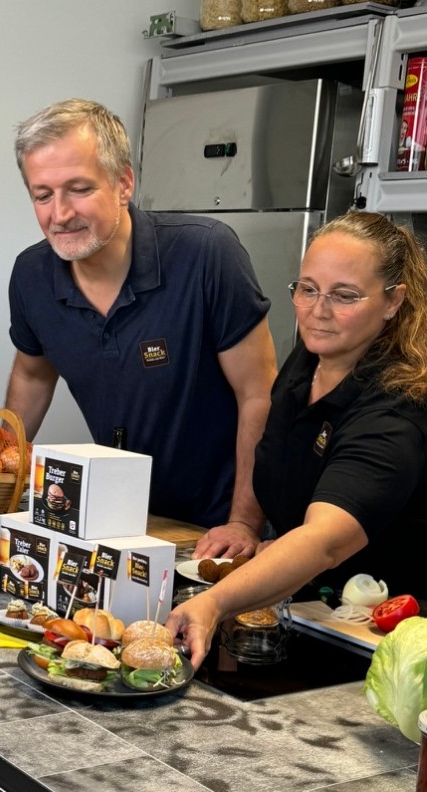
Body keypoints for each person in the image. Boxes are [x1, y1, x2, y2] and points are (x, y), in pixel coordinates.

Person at [5, 98, 277, 557]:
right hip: (115, 519)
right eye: (43, 195)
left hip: (216, 527)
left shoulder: (207, 254)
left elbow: (259, 393)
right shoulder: (31, 275)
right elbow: (32, 377)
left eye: (79, 189)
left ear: (124, 183)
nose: (60, 214)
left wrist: (243, 522)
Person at [167, 211, 427, 669]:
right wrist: (245, 525)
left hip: (382, 642)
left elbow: (324, 541)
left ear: (393, 300)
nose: (318, 310)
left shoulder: (396, 408)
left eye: (344, 295)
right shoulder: (310, 360)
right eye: (307, 289)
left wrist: (213, 603)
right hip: (307, 615)